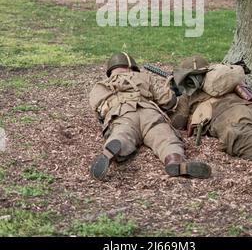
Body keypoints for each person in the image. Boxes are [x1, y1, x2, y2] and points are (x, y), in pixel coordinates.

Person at [169, 55, 252, 186]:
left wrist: (172, 95)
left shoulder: (189, 94)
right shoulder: (226, 80)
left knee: (249, 142)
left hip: (230, 115)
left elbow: (177, 122)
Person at [88, 52, 211, 180]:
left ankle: (111, 150)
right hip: (149, 112)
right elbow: (168, 101)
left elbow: (99, 111)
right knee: (165, 138)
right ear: (131, 67)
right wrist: (170, 89)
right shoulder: (144, 77)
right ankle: (174, 160)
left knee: (122, 134)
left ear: (110, 70)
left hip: (123, 114)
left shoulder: (101, 85)